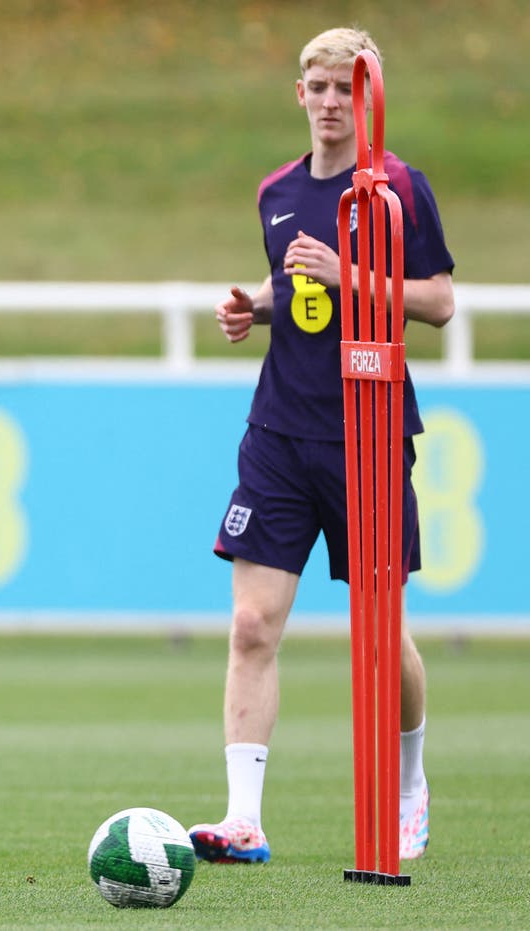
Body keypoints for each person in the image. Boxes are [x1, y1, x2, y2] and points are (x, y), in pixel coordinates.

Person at [188, 27, 454, 865]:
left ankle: (411, 781)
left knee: (380, 634)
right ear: (298, 94)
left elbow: (440, 301)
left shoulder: (398, 189)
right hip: (278, 431)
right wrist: (253, 307)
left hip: (367, 432)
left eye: (348, 88)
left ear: (368, 96)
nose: (333, 102)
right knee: (251, 623)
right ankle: (243, 818)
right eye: (319, 86)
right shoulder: (276, 190)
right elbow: (293, 281)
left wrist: (347, 275)